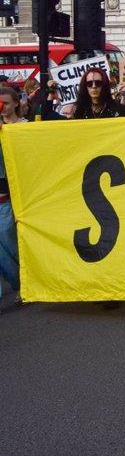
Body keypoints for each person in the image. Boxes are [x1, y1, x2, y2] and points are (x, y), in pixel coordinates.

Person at [0, 87, 22, 305]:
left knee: (10, 241)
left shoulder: (23, 129)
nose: (3, 107)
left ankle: (22, 282)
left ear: (16, 103)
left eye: (6, 103)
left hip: (15, 194)